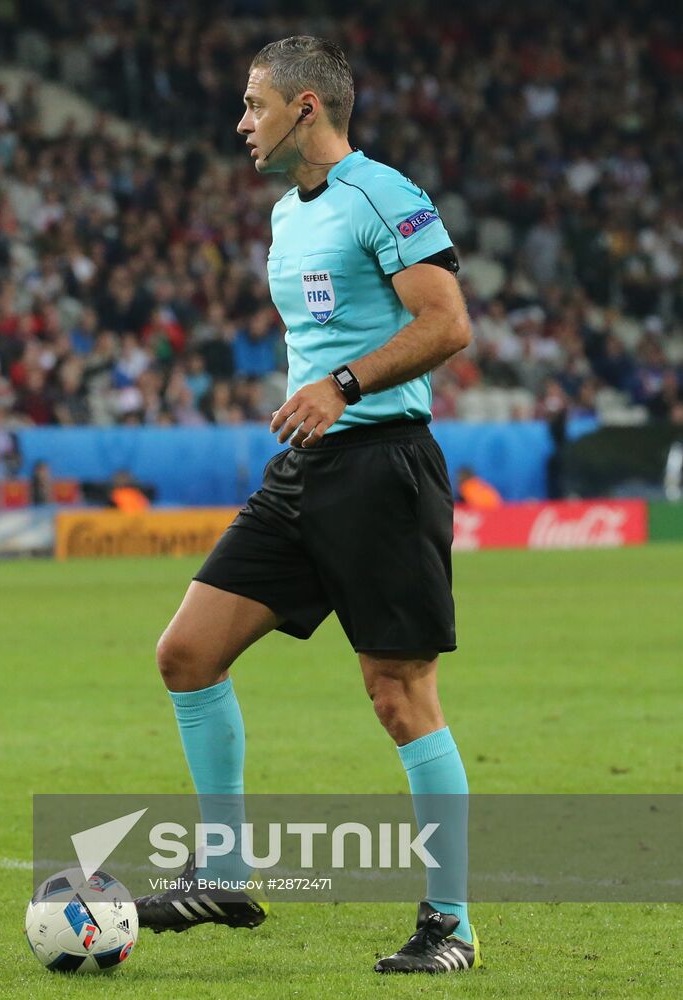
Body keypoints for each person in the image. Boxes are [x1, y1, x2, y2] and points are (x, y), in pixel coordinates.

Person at [134, 38, 479, 976]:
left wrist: (344, 382)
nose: (241, 123)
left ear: (306, 110)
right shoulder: (289, 217)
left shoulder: (386, 196)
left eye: (254, 105)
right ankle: (226, 872)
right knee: (187, 653)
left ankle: (450, 925)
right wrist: (322, 396)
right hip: (304, 473)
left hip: (383, 467)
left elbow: (447, 323)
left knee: (400, 698)